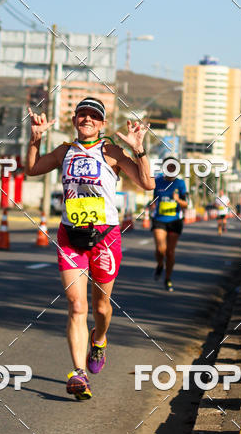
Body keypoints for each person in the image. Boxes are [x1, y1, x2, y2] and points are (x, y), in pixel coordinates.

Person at [26, 98, 154, 401]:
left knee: (100, 308)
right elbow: (31, 169)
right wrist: (35, 138)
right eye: (82, 115)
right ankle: (78, 373)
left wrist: (138, 150)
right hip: (71, 235)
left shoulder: (111, 152)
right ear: (74, 120)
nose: (87, 120)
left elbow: (147, 184)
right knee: (77, 305)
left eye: (94, 117)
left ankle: (100, 338)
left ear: (102, 123)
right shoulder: (64, 152)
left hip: (105, 237)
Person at [150, 169, 188, 292]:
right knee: (161, 249)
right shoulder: (158, 181)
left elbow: (186, 204)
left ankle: (168, 278)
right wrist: (152, 205)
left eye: (173, 167)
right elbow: (154, 199)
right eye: (169, 167)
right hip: (159, 219)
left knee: (170, 252)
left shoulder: (180, 183)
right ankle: (160, 264)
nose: (171, 170)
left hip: (174, 221)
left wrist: (177, 200)